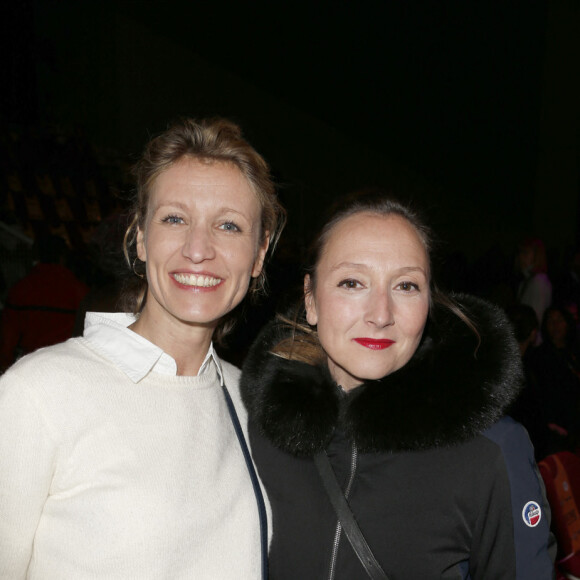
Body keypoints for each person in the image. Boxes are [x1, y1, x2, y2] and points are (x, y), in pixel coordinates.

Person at [0, 117, 285, 579]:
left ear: (258, 254)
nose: (199, 249)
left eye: (229, 226)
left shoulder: (255, 405)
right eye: (175, 218)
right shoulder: (38, 394)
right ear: (139, 237)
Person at [241, 191, 555, 579]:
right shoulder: (256, 427)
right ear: (311, 299)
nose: (380, 315)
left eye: (406, 286)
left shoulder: (489, 451)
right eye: (352, 282)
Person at [0, 233, 89, 371]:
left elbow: (7, 342)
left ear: (36, 255)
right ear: (63, 257)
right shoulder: (80, 291)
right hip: (68, 367)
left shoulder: (20, 290)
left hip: (29, 367)